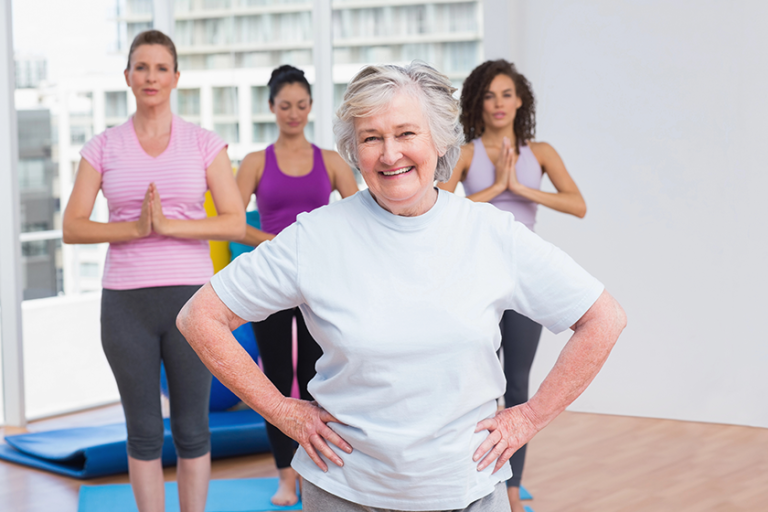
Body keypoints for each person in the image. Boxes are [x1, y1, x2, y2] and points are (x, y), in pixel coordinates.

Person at [177, 62, 626, 512]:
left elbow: (603, 318)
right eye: (372, 138)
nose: (390, 154)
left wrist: (527, 418)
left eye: (407, 134)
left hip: (465, 490)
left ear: (439, 139)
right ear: (355, 149)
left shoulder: (491, 234)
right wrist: (283, 411)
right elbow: (200, 316)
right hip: (345, 490)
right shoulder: (315, 237)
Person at [62, 30, 244, 512]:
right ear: (127, 76)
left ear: (176, 77)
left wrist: (169, 225)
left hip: (192, 302)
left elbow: (232, 219)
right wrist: (136, 229)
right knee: (142, 430)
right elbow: (72, 227)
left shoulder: (205, 144)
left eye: (161, 68)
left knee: (192, 428)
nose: (151, 77)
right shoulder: (102, 147)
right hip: (126, 303)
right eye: (142, 67)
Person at [438, 59, 587, 510]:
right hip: (476, 276)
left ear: (519, 100)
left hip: (523, 279)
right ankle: (463, 477)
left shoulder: (539, 152)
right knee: (467, 385)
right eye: (489, 95)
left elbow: (576, 204)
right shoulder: (465, 153)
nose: (498, 103)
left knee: (517, 388)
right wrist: (495, 186)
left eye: (506, 94)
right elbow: (440, 205)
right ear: (476, 103)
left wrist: (520, 189)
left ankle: (511, 490)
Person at [234, 64, 358, 506]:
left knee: (313, 378)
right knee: (275, 380)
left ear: (310, 108)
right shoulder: (254, 162)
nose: (293, 113)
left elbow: (361, 211)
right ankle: (285, 476)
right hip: (270, 280)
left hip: (318, 286)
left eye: (301, 105)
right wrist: (278, 245)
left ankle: (313, 471)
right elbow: (232, 222)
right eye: (285, 105)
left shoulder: (328, 160)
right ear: (271, 107)